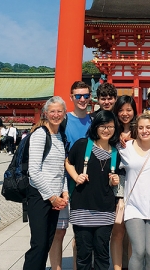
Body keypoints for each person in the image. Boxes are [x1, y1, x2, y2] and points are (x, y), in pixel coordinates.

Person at [66, 110, 122, 270]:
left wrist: (115, 180)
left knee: (102, 255)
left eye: (110, 126)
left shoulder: (115, 153)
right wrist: (76, 177)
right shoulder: (82, 145)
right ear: (95, 127)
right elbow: (68, 162)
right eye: (102, 126)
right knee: (83, 255)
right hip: (82, 209)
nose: (106, 130)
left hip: (105, 211)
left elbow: (116, 177)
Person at [50, 81, 93, 270]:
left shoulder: (94, 121)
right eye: (78, 96)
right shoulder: (64, 121)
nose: (82, 99)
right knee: (59, 231)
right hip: (64, 183)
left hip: (87, 184)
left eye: (86, 95)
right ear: (71, 98)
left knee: (81, 233)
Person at [23, 96, 69, 269]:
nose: (56, 115)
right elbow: (33, 171)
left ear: (64, 113)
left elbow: (60, 168)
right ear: (45, 113)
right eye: (52, 111)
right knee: (39, 244)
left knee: (47, 242)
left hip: (55, 198)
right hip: (40, 197)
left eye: (59, 111)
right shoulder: (40, 135)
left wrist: (64, 192)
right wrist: (51, 197)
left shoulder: (59, 135)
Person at [119, 112, 150, 270]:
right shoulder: (126, 149)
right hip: (133, 205)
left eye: (148, 127)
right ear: (136, 130)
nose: (144, 131)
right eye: (140, 128)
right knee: (139, 251)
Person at [111, 95, 138, 270]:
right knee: (118, 229)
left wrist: (133, 140)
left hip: (137, 183)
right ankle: (118, 267)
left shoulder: (140, 130)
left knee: (134, 232)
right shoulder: (111, 130)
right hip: (117, 184)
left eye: (129, 109)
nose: (125, 113)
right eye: (121, 110)